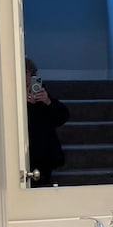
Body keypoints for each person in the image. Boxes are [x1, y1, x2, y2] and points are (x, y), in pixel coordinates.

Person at [25, 58, 69, 187]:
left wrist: (47, 101)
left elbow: (62, 117)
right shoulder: (11, 95)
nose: (24, 75)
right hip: (22, 152)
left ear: (32, 74)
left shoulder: (43, 94)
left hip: (43, 154)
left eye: (27, 71)